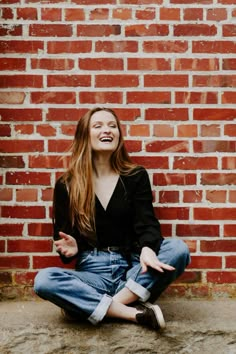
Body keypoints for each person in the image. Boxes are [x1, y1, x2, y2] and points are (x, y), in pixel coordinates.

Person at [34, 107, 190, 331]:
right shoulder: (67, 184)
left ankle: (99, 307)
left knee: (178, 248)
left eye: (112, 126)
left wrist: (148, 247)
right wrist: (73, 247)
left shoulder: (135, 176)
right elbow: (64, 244)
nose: (107, 130)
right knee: (44, 280)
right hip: (94, 273)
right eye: (98, 126)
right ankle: (134, 312)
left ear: (119, 134)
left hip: (136, 269)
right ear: (84, 135)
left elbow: (148, 224)